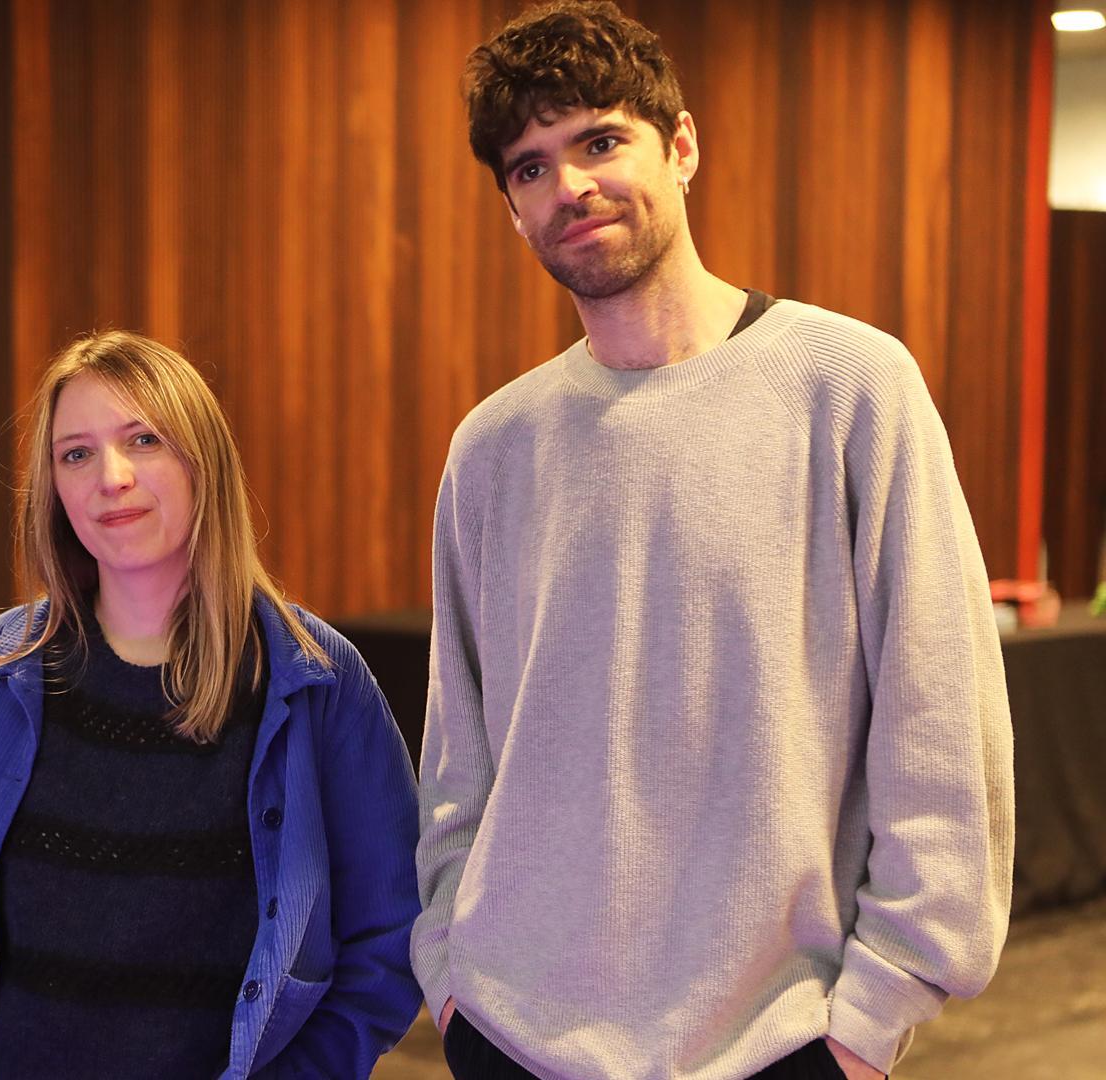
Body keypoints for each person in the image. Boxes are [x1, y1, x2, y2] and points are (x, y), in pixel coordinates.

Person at [413, 4, 1014, 1079]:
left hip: (783, 1042)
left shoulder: (850, 387)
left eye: (600, 142)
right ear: (512, 207)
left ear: (681, 147)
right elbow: (460, 755)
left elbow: (942, 722)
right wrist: (452, 972)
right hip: (510, 1028)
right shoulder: (493, 447)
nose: (570, 186)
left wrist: (875, 1013)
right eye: (530, 168)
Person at [0, 331, 422, 1078]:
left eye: (144, 439)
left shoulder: (316, 678)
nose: (111, 478)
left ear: (203, 461)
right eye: (76, 453)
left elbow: (388, 939)